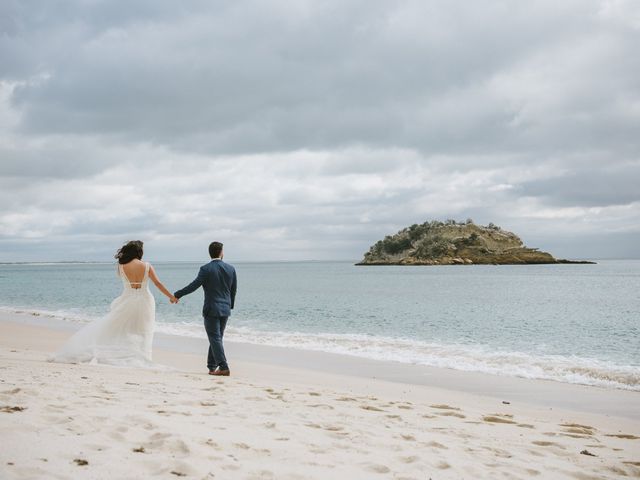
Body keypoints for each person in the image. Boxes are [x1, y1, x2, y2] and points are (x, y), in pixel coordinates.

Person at [50, 240, 177, 366]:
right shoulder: (147, 266)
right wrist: (171, 296)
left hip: (127, 299)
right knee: (143, 329)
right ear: (139, 252)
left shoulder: (121, 266)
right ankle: (143, 356)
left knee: (123, 328)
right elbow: (157, 283)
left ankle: (125, 352)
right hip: (145, 300)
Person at [174, 241, 237, 376]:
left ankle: (224, 366)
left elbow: (194, 285)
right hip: (225, 309)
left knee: (215, 338)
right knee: (217, 338)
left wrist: (178, 294)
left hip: (211, 308)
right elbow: (233, 290)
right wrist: (229, 306)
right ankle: (211, 366)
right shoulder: (231, 269)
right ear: (221, 253)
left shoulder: (206, 269)